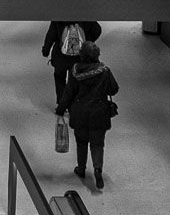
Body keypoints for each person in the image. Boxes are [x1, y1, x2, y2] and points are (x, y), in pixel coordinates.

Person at [57, 44, 120, 192]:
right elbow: (114, 89)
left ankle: (81, 169)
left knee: (81, 142)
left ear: (82, 55)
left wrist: (61, 109)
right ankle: (98, 169)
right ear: (97, 55)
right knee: (97, 143)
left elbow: (68, 93)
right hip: (99, 113)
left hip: (80, 113)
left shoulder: (75, 71)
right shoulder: (104, 71)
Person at [42, 20, 102, 106]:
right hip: (79, 57)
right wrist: (86, 41)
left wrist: (45, 51)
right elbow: (97, 30)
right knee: (76, 80)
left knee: (60, 78)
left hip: (60, 57)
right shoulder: (85, 15)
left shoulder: (58, 17)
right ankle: (74, 103)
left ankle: (62, 104)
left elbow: (50, 36)